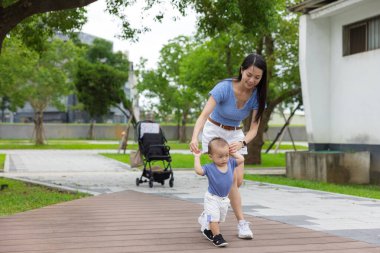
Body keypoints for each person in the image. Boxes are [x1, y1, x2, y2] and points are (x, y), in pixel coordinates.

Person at [190, 53, 267, 239]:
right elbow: (203, 115)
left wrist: (242, 142)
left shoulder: (258, 95)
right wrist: (194, 137)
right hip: (214, 131)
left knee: (237, 180)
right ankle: (242, 223)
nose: (252, 80)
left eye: (257, 77)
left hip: (235, 135)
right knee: (229, 179)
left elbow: (254, 129)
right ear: (242, 70)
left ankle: (208, 214)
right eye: (249, 75)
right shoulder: (224, 88)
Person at [193, 137, 244, 247]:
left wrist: (233, 153)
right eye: (220, 156)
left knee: (219, 218)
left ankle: (208, 229)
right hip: (212, 198)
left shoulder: (230, 163)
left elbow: (241, 159)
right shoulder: (209, 167)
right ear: (211, 156)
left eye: (226, 155)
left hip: (224, 199)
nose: (224, 159)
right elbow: (198, 170)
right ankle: (217, 237)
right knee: (214, 219)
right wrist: (197, 157)